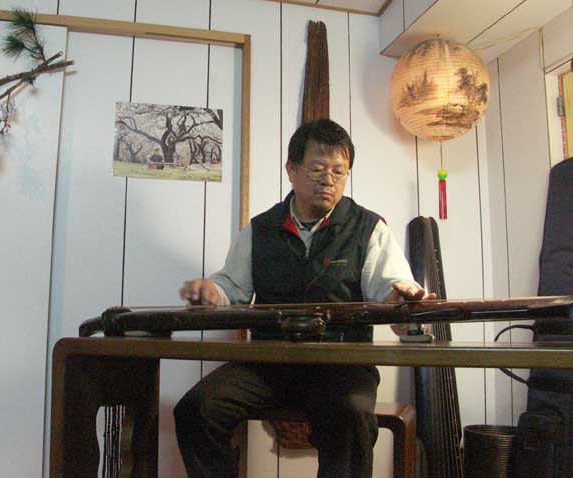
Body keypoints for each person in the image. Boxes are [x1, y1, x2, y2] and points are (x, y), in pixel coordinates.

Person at [176, 119, 433, 478]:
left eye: (339, 171)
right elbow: (231, 288)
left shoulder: (368, 228)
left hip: (342, 366)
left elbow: (392, 290)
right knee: (197, 410)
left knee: (351, 415)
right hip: (269, 364)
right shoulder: (261, 229)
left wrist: (401, 301)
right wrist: (211, 293)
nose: (329, 179)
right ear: (292, 170)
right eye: (317, 169)